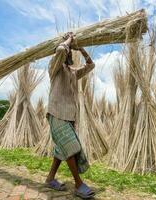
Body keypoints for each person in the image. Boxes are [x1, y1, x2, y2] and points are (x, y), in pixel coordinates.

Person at [45, 32, 95, 199]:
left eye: (69, 52)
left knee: (61, 150)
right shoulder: (54, 68)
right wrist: (68, 40)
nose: (68, 53)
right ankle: (79, 184)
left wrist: (81, 48)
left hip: (69, 116)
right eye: (68, 51)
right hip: (56, 113)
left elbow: (90, 65)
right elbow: (59, 50)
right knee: (72, 148)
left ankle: (50, 178)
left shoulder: (73, 72)